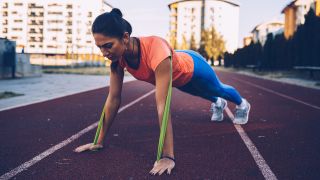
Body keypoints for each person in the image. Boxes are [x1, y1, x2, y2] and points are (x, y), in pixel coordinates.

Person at [74, 8, 251, 176]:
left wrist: (168, 156)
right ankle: (218, 104)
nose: (104, 53)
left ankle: (243, 104)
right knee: (200, 93)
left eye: (108, 46)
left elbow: (163, 106)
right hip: (178, 78)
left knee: (217, 89)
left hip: (193, 67)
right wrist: (98, 141)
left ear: (125, 37)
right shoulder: (117, 60)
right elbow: (113, 99)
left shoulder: (156, 50)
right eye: (100, 47)